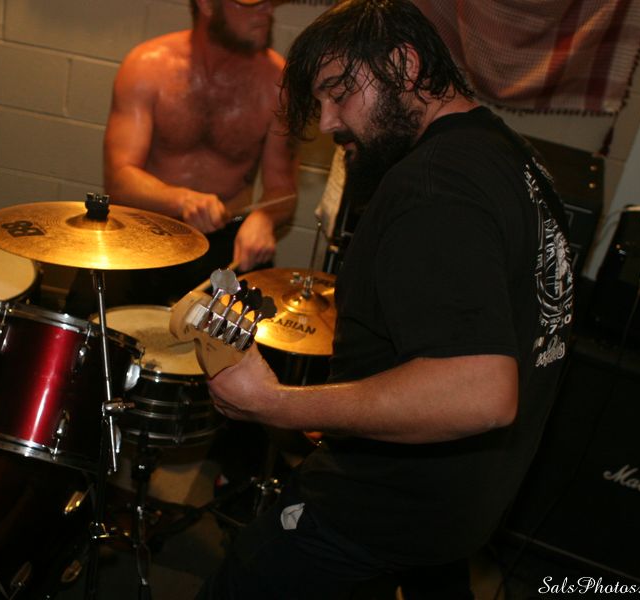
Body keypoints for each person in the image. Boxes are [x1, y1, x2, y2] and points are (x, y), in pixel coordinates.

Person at [198, 0, 575, 597]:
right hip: (458, 510)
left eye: (338, 92)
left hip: (374, 511)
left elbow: (478, 392)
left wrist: (275, 404)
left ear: (404, 64)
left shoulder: (434, 185)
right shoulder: (514, 158)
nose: (328, 122)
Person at [65, 0, 298, 314]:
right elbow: (119, 179)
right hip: (142, 226)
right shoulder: (147, 66)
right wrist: (184, 200)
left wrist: (264, 219)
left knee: (254, 329)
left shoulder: (278, 84)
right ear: (207, 4)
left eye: (270, 2)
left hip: (226, 239)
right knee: (87, 316)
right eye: (252, 3)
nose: (267, 11)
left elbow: (283, 191)